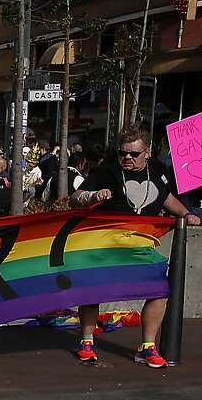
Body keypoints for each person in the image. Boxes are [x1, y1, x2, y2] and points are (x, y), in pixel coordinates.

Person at [69, 127, 201, 367]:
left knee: (159, 289)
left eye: (134, 154)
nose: (127, 158)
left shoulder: (159, 172)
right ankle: (87, 340)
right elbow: (75, 197)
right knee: (92, 290)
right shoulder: (108, 170)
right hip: (105, 244)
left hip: (141, 245)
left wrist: (187, 214)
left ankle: (147, 346)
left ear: (147, 152)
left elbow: (166, 197)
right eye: (123, 153)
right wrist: (93, 196)